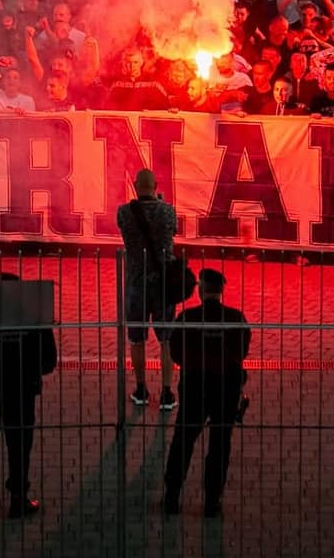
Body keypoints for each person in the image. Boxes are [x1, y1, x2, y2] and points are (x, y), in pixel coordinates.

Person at [0, 274, 58, 518]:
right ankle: (18, 498)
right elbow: (49, 360)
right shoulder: (34, 319)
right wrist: (30, 372)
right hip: (22, 393)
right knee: (20, 448)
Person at [163, 268, 251, 519]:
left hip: (195, 385)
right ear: (221, 290)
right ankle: (212, 501)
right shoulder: (235, 318)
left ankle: (172, 496)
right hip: (226, 386)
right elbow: (242, 351)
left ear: (200, 291)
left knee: (183, 440)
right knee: (220, 443)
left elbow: (176, 353)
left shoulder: (187, 318)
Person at [117, 168, 179, 410]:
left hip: (136, 284)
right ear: (156, 186)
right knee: (166, 339)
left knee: (136, 339)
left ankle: (141, 389)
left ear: (135, 186)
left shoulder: (125, 212)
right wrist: (160, 203)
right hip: (163, 284)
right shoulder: (168, 211)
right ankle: (167, 392)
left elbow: (127, 230)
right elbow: (171, 232)